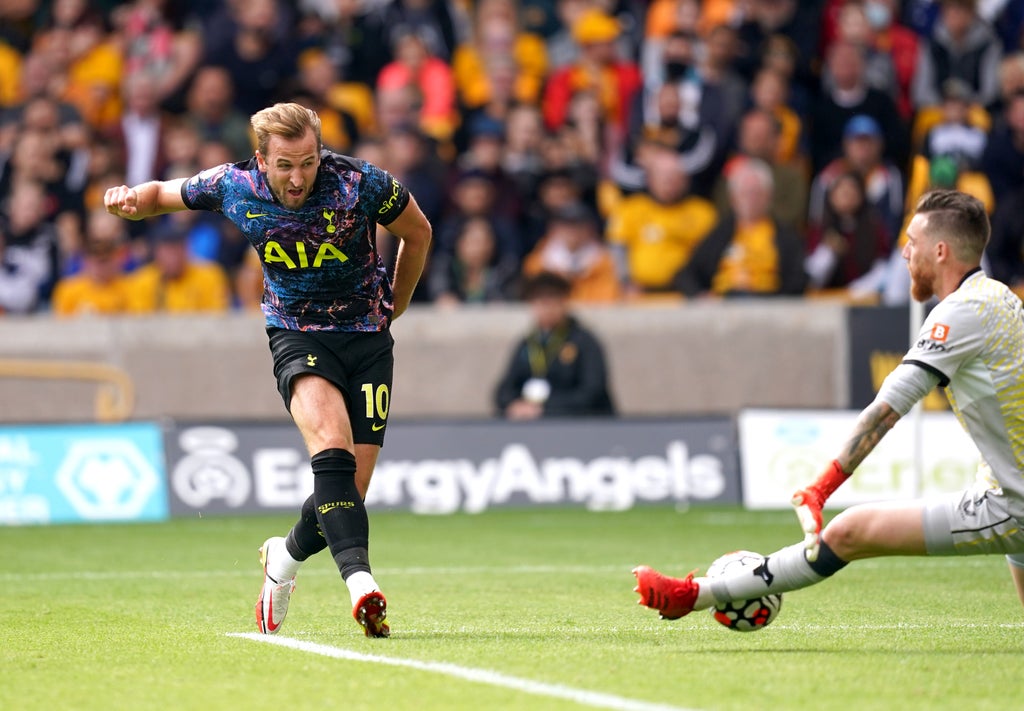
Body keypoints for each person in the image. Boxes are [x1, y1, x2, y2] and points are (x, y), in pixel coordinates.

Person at [103, 102, 432, 638]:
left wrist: (399, 301)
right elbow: (163, 194)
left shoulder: (361, 183)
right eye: (285, 165)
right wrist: (132, 201)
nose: (298, 178)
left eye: (308, 162)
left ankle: (284, 559)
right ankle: (362, 586)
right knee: (331, 448)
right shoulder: (234, 185)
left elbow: (418, 232)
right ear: (261, 160)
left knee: (350, 488)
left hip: (369, 338)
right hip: (297, 333)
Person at [634, 189, 1024, 621]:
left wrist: (820, 489)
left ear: (940, 251)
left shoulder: (960, 313)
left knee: (849, 531)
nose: (904, 252)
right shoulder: (1001, 297)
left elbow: (887, 410)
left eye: (912, 242)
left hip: (1013, 503)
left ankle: (694, 595)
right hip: (1007, 485)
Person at [494, 270, 615, 420]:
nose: (546, 308)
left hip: (576, 421)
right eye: (540, 301)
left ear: (564, 302)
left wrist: (546, 408)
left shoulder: (584, 342)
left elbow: (592, 391)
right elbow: (504, 389)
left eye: (552, 299)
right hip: (534, 421)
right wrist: (514, 405)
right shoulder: (527, 343)